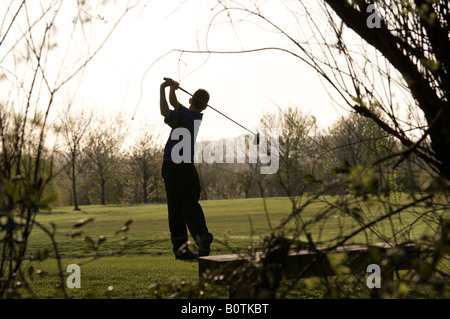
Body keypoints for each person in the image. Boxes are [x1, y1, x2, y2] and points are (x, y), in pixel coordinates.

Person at [159, 77, 213, 260]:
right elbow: (173, 103)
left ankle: (181, 250)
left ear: (190, 100)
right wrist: (172, 89)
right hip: (187, 167)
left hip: (172, 167)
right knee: (190, 203)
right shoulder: (194, 117)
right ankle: (202, 236)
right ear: (204, 107)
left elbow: (165, 110)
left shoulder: (184, 117)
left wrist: (162, 89)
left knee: (175, 209)